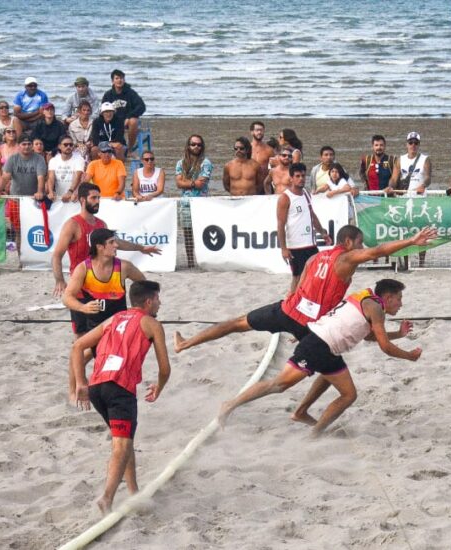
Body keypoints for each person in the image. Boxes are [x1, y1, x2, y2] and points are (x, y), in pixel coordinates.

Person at [174, 225, 435, 352]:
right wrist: (411, 240)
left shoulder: (316, 257)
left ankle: (186, 344)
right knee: (329, 375)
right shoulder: (345, 258)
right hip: (311, 326)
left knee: (235, 323)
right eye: (359, 243)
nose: (362, 247)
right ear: (347, 242)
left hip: (288, 311)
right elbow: (377, 251)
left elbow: (298, 283)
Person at [218, 279, 421, 436]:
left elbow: (369, 337)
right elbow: (384, 347)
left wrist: (399, 334)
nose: (401, 304)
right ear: (387, 297)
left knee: (346, 392)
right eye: (399, 299)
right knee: (279, 385)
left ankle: (307, 422)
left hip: (329, 349)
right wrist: (409, 356)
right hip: (318, 345)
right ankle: (230, 405)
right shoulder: (376, 308)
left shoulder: (367, 300)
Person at [69, 279, 169, 514]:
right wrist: (159, 386)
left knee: (124, 441)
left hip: (97, 386)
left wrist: (82, 382)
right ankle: (106, 498)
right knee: (120, 446)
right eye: (157, 299)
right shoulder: (152, 324)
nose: (160, 303)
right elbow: (165, 369)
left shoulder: (114, 319)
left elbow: (77, 347)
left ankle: (134, 494)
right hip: (119, 387)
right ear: (148, 301)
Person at [64, 227, 148, 396]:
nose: (116, 245)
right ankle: (74, 392)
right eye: (112, 242)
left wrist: (137, 308)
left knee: (114, 360)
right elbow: (67, 297)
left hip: (119, 325)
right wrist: (82, 307)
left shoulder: (124, 267)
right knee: (80, 353)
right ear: (99, 247)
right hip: (96, 324)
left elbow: (143, 284)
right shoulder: (83, 269)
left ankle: (112, 391)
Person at [277, 163, 329, 295]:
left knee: (314, 274)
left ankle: (307, 299)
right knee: (297, 277)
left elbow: (312, 215)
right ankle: (290, 303)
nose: (301, 178)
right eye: (297, 176)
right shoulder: (285, 197)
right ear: (291, 178)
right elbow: (280, 224)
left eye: (303, 176)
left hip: (310, 244)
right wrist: (284, 248)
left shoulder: (306, 193)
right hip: (295, 246)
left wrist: (322, 232)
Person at [0, 134, 48, 248]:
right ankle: (20, 259)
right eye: (24, 144)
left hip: (33, 200)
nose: (26, 147)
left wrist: (40, 192)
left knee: (35, 228)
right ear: (19, 146)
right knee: (17, 230)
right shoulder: (13, 159)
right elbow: (5, 176)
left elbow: (41, 177)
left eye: (29, 144)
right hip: (15, 199)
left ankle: (34, 255)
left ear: (32, 146)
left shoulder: (39, 159)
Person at [174, 135, 211, 267]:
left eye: (199, 145)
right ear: (188, 145)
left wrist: (187, 182)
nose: (196, 147)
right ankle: (190, 261)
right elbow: (178, 184)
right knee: (188, 234)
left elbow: (201, 183)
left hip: (202, 203)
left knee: (201, 232)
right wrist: (193, 183)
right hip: (185, 203)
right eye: (193, 144)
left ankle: (202, 260)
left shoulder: (206, 163)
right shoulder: (180, 163)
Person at [101, 70, 145, 148]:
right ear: (112, 81)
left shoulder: (130, 93)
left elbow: (141, 106)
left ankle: (130, 148)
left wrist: (129, 117)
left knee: (133, 121)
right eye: (117, 78)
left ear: (124, 80)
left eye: (121, 78)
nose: (119, 80)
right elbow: (103, 109)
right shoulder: (108, 95)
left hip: (127, 122)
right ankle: (107, 148)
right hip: (113, 121)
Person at [47, 137, 85, 201]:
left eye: (71, 145)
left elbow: (78, 177)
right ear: (59, 146)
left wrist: (70, 192)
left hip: (74, 197)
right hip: (58, 197)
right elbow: (51, 178)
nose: (68, 147)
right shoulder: (53, 160)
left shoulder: (79, 159)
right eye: (65, 145)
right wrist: (50, 192)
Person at [398, 131, 432, 197]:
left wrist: (423, 186)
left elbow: (428, 177)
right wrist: (390, 187)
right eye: (410, 143)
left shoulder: (426, 159)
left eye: (416, 143)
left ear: (419, 144)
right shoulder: (400, 159)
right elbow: (394, 178)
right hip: (404, 197)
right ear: (407, 144)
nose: (413, 145)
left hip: (419, 197)